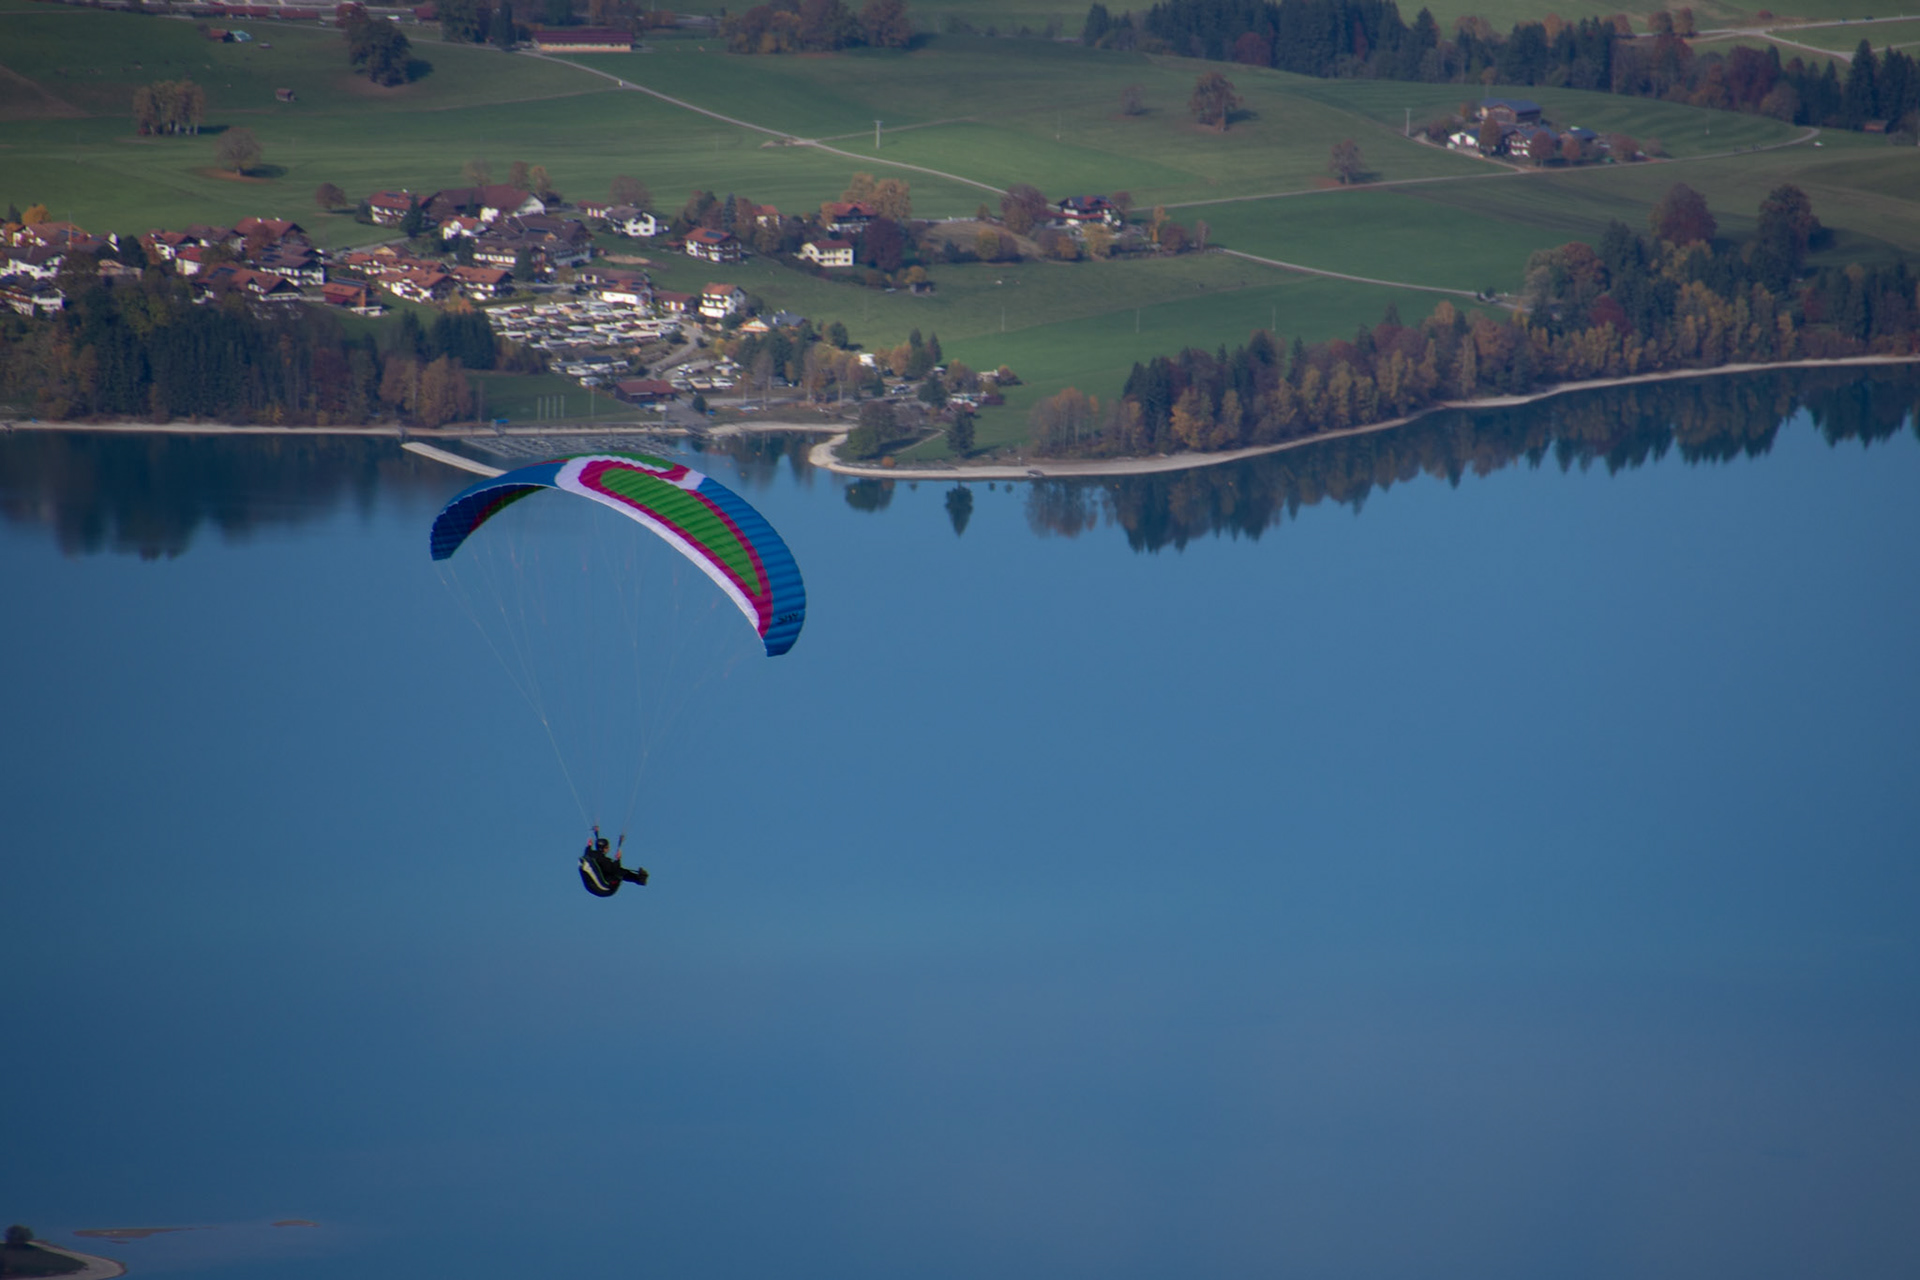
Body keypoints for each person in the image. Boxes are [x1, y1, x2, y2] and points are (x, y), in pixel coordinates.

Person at [578, 826, 649, 898]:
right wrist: (618, 860)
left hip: (591, 886)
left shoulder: (590, 854)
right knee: (619, 872)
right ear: (606, 848)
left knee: (616, 871)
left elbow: (589, 851)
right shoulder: (604, 860)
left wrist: (589, 845)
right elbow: (614, 870)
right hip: (605, 889)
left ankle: (638, 879)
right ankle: (639, 879)